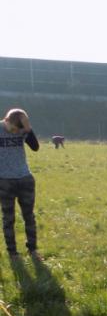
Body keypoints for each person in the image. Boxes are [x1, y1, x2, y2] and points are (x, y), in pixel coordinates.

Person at [0, 108, 41, 260]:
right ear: (6, 120)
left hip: (25, 179)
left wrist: (28, 129)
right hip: (4, 181)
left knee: (29, 216)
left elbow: (35, 147)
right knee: (8, 219)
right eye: (13, 129)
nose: (16, 132)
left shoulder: (23, 129)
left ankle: (33, 250)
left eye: (19, 130)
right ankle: (13, 253)